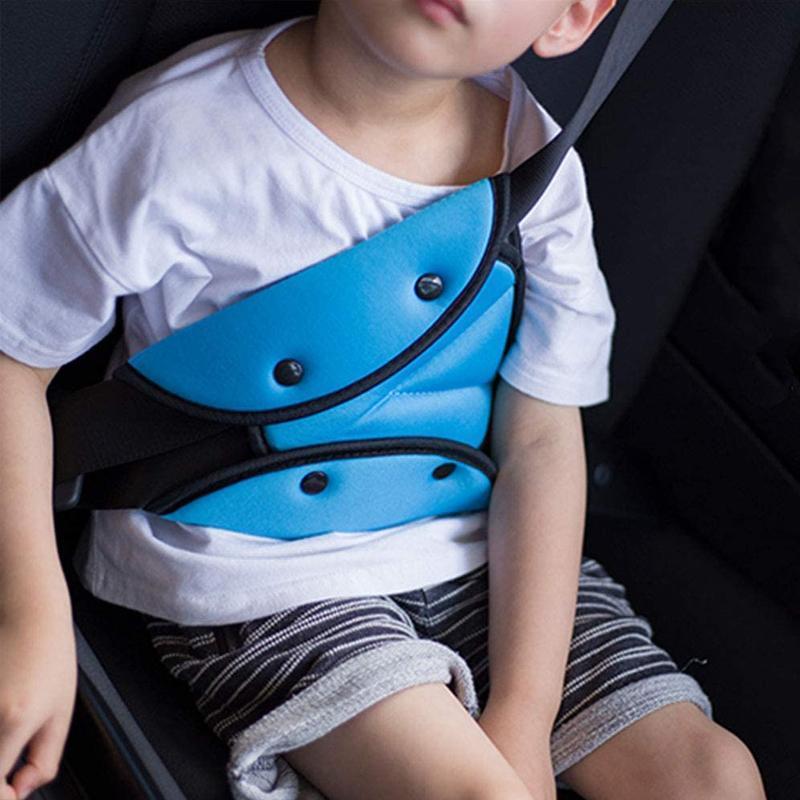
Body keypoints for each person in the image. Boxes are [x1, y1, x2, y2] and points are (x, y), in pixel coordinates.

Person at [0, 1, 768, 798]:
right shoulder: (178, 134)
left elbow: (541, 440)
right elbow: (11, 354)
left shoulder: (538, 169)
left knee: (714, 777)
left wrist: (525, 712)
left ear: (572, 17)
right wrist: (31, 615)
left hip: (482, 550)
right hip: (262, 574)